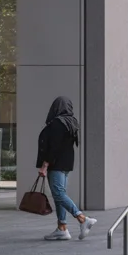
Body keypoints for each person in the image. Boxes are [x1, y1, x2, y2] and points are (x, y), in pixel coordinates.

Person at [37, 96, 93, 242]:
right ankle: (62, 228)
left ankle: (82, 219)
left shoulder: (57, 123)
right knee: (58, 195)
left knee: (59, 193)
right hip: (66, 164)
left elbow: (54, 147)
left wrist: (45, 165)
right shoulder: (71, 122)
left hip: (56, 164)